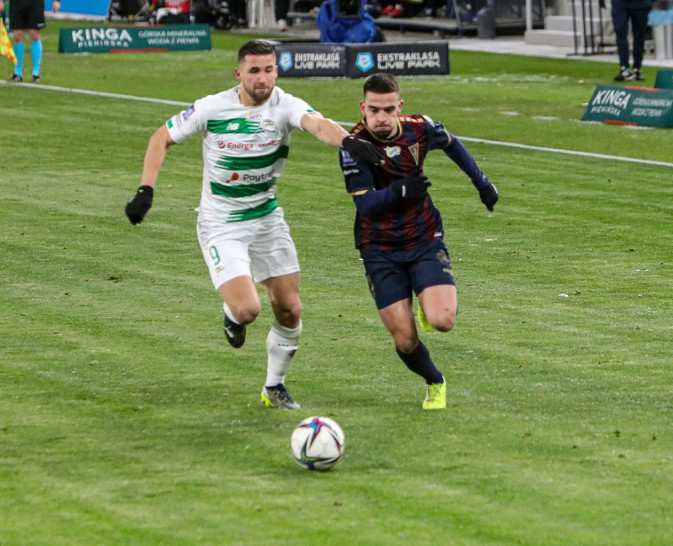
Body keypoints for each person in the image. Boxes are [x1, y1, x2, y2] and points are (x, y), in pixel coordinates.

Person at [124, 40, 385, 410]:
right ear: (239, 74)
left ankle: (274, 386)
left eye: (268, 70)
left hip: (266, 220)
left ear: (276, 71)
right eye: (254, 71)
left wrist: (349, 142)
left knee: (290, 308)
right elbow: (160, 138)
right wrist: (145, 191)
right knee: (248, 309)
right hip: (221, 224)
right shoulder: (212, 108)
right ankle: (233, 317)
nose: (262, 79)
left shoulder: (285, 104)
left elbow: (317, 124)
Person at [338, 73, 498, 410]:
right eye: (373, 110)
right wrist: (398, 191)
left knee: (442, 321)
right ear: (362, 107)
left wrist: (481, 183)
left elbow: (453, 144)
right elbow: (365, 204)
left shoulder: (419, 128)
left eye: (387, 109)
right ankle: (435, 381)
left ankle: (428, 302)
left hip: (424, 237)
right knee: (405, 339)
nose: (380, 117)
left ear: (400, 106)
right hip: (379, 248)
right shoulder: (355, 146)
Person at [1, 0, 60, 83]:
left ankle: (36, 74)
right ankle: (18, 73)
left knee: (34, 34)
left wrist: (57, 1)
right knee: (18, 35)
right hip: (16, 3)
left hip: (35, 3)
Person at [601, 0, 652, 82]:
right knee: (620, 32)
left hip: (641, 4)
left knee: (640, 36)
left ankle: (637, 68)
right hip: (620, 4)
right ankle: (624, 67)